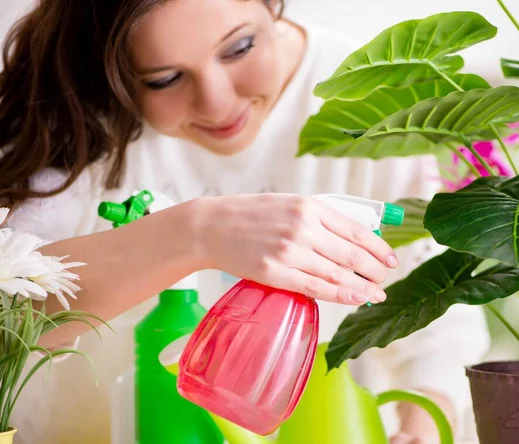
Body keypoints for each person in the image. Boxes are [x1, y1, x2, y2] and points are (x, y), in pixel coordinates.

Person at [0, 1, 490, 443]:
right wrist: (194, 232)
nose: (217, 102)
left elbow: (441, 319)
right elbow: (13, 314)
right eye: (164, 79)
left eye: (239, 47)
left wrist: (419, 428)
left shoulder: (378, 100)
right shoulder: (79, 112)